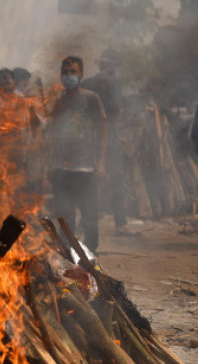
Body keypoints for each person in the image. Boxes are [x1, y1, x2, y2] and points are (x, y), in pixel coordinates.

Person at [48, 56, 108, 254]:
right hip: (62, 170)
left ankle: (90, 255)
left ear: (81, 74)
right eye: (65, 72)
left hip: (86, 168)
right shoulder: (59, 103)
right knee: (65, 218)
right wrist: (52, 164)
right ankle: (69, 255)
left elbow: (102, 131)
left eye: (73, 72)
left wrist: (100, 163)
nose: (69, 76)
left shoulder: (91, 99)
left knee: (90, 216)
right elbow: (54, 136)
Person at [82, 49, 138, 236]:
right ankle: (121, 224)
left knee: (90, 179)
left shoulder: (87, 83)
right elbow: (115, 106)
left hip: (88, 135)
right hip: (108, 134)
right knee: (117, 178)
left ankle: (85, 221)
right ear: (113, 66)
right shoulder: (115, 82)